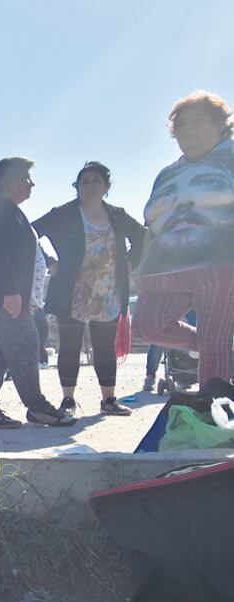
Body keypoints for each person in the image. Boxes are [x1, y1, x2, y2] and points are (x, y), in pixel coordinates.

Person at [133, 91, 234, 388]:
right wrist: (142, 267)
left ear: (220, 126)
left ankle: (213, 422)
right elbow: (151, 224)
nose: (188, 129)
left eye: (198, 122)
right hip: (165, 266)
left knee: (215, 351)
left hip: (220, 264)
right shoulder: (168, 174)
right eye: (182, 124)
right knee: (146, 327)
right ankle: (220, 351)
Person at [0, 157, 75, 428]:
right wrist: (10, 292)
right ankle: (37, 407)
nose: (31, 183)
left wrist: (46, 263)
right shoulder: (2, 212)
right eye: (25, 178)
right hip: (0, 296)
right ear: (7, 182)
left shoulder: (7, 212)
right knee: (26, 345)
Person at [33, 162, 145, 416]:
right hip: (72, 292)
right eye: (85, 181)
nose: (90, 185)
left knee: (104, 347)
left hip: (109, 291)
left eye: (96, 181)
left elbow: (141, 236)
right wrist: (49, 261)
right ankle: (68, 400)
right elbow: (30, 233)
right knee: (69, 346)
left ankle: (108, 400)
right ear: (77, 187)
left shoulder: (117, 215)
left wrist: (130, 261)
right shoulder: (63, 213)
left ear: (106, 187)